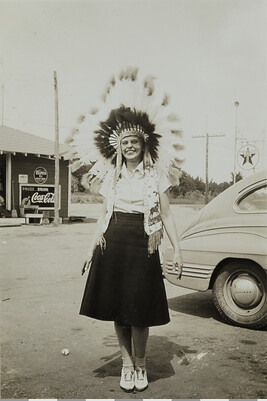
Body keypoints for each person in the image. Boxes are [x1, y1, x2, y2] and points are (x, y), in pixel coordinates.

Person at [76, 68, 183, 393]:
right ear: (118, 147)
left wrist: (176, 249)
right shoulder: (111, 177)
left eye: (134, 141)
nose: (130, 146)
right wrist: (89, 250)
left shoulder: (157, 176)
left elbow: (166, 214)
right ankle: (125, 365)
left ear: (143, 144)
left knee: (139, 312)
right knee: (118, 309)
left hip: (144, 242)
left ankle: (140, 365)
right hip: (114, 242)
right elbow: (102, 217)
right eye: (125, 142)